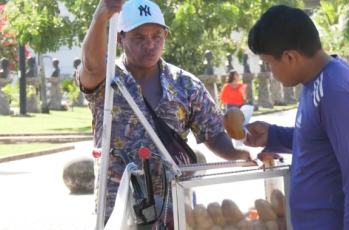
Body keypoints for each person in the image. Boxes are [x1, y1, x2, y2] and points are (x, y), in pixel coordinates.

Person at [78, 0, 251, 228]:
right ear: (120, 39)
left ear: (165, 36)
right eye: (139, 37)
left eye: (156, 36)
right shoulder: (108, 80)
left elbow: (214, 132)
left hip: (174, 211)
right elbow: (90, 67)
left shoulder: (186, 85)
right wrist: (99, 19)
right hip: (119, 213)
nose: (149, 44)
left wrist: (239, 154)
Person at [246, 5, 349, 230]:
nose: (270, 72)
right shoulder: (315, 81)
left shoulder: (336, 90)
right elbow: (318, 138)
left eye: (269, 63)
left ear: (290, 57)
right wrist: (272, 135)